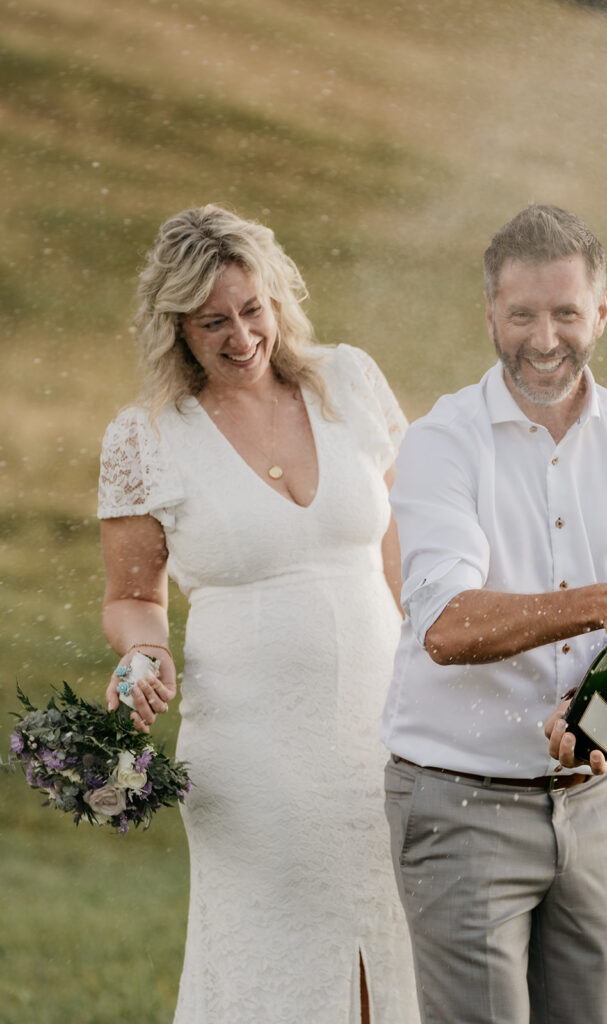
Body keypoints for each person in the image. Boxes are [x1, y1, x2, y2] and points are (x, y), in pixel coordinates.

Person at [97, 204, 420, 1024]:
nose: (241, 337)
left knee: (395, 943)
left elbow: (408, 551)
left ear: (278, 301)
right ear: (176, 327)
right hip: (252, 750)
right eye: (213, 323)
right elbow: (134, 597)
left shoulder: (349, 381)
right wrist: (142, 656)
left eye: (252, 310)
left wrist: (438, 673)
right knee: (280, 956)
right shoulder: (145, 438)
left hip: (384, 727)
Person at [382, 204, 607, 1024]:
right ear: (489, 312)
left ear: (602, 310)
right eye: (521, 315)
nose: (543, 339)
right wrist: (598, 603)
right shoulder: (441, 443)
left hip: (597, 805)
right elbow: (444, 626)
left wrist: (599, 707)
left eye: (565, 313)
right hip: (459, 806)